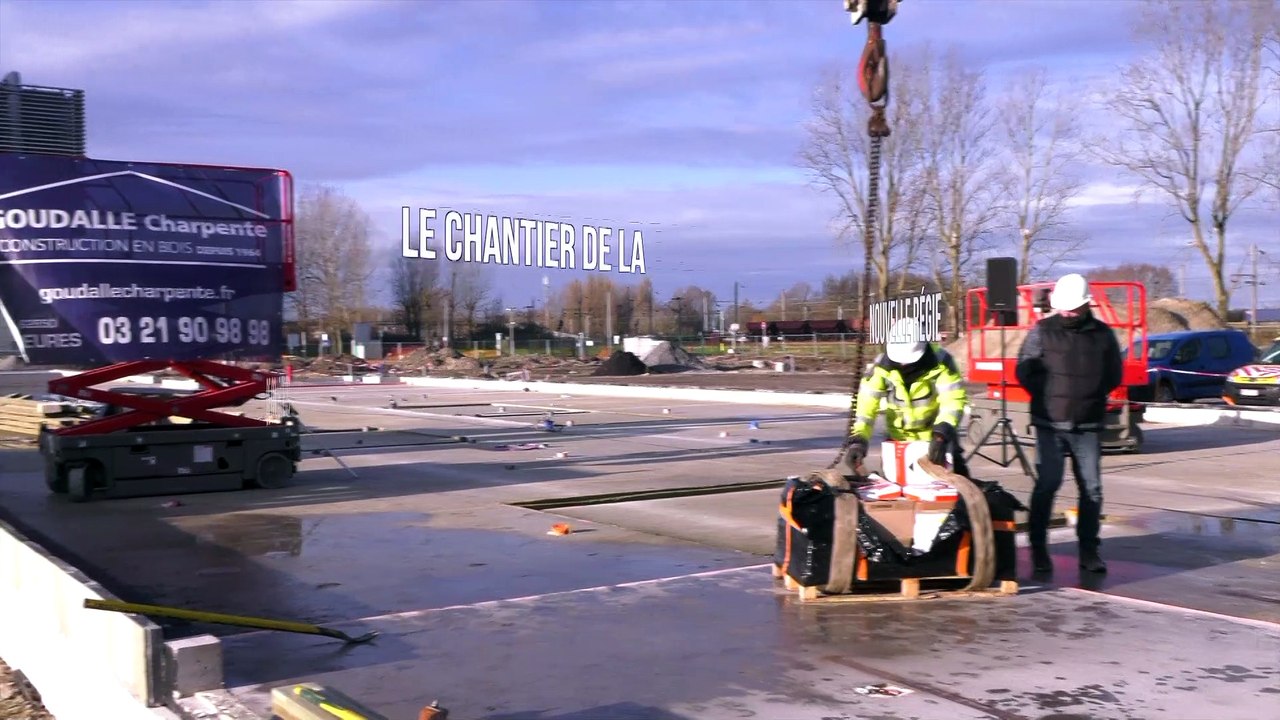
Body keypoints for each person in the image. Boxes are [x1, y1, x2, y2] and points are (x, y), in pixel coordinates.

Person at [1015, 273, 1123, 575]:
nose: (1067, 313)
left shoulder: (1103, 335)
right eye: (1063, 308)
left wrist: (1090, 396)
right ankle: (1038, 550)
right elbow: (1024, 368)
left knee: (1092, 490)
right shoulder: (1042, 331)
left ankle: (1089, 551)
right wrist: (1048, 395)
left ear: (1087, 305)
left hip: (1087, 424)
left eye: (1073, 308)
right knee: (1047, 484)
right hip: (1050, 424)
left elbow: (1114, 373)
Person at [846, 317, 970, 478]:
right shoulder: (881, 367)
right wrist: (859, 440)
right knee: (896, 493)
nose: (903, 365)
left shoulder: (942, 363)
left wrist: (942, 434)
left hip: (937, 439)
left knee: (953, 493)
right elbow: (866, 407)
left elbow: (952, 401)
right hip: (898, 442)